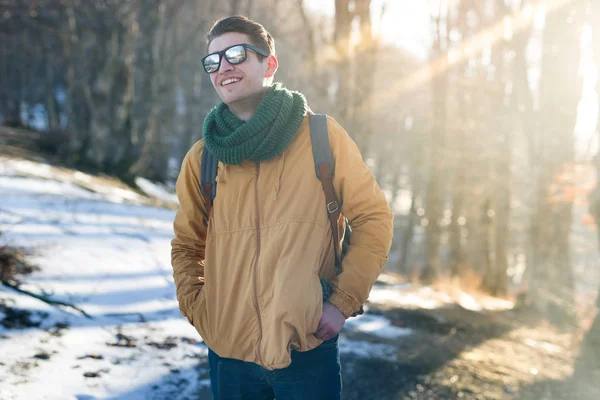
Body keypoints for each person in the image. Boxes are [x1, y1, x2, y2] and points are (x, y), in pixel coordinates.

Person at [171, 15, 394, 400]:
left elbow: (373, 219)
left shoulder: (321, 137)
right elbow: (187, 245)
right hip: (229, 356)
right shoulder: (203, 158)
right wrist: (200, 311)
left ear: (269, 64)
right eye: (213, 61)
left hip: (306, 349)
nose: (223, 66)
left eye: (236, 54)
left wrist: (341, 303)